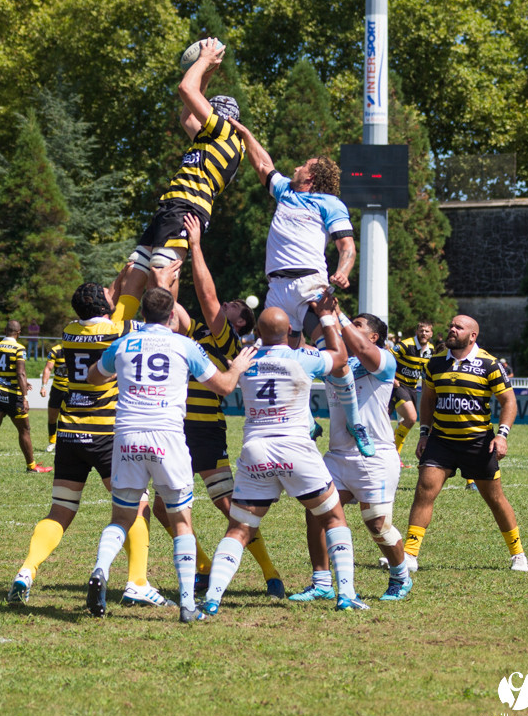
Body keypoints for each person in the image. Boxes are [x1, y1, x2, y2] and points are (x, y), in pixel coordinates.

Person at [84, 287, 253, 622]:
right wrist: (238, 367)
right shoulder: (184, 345)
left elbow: (92, 377)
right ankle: (188, 604)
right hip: (168, 438)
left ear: (142, 314)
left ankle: (101, 569)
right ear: (172, 316)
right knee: (181, 522)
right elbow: (223, 386)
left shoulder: (124, 343)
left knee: (121, 518)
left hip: (128, 435)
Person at [7, 272, 175, 609]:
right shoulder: (118, 330)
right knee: (137, 506)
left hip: (70, 431)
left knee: (60, 510)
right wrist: (137, 270)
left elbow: (114, 296)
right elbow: (128, 300)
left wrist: (119, 277)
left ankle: (26, 571)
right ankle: (137, 582)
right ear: (104, 304)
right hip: (107, 433)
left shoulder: (70, 331)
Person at [200, 297, 370, 615]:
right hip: (295, 448)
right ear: (289, 330)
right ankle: (345, 594)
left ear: (259, 333)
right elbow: (340, 358)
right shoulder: (302, 358)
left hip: (256, 451)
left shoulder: (244, 357)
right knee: (333, 518)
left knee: (239, 529)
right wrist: (326, 318)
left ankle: (212, 599)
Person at [229, 116, 373, 458]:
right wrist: (246, 134)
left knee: (337, 361)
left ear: (311, 176)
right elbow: (263, 163)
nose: (295, 167)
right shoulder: (285, 192)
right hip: (277, 288)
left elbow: (347, 247)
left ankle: (356, 424)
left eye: (302, 165)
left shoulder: (329, 203)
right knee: (280, 358)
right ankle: (308, 421)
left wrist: (343, 272)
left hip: (311, 286)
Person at [185, 215, 286, 598]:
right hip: (178, 428)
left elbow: (208, 297)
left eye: (234, 306)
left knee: (228, 506)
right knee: (163, 507)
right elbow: (170, 304)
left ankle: (269, 572)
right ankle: (202, 565)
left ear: (240, 321)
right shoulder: (195, 330)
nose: (227, 303)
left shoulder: (228, 340)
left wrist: (196, 245)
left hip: (204, 429)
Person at [113, 37, 245, 320]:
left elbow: (186, 89)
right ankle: (117, 325)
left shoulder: (224, 133)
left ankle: (165, 330)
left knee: (163, 270)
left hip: (186, 208)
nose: (198, 117)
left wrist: (204, 60)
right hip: (172, 205)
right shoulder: (210, 138)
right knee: (138, 267)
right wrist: (208, 73)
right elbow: (187, 115)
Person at [291, 307, 412, 604]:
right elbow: (297, 349)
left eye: (358, 325)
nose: (349, 329)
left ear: (373, 336)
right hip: (337, 455)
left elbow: (360, 347)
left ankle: (400, 576)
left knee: (377, 523)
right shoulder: (333, 359)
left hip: (375, 455)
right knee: (316, 512)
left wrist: (336, 313)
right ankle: (321, 582)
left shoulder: (384, 360)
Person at [400, 315, 525, 572]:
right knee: (424, 490)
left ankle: (517, 554)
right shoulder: (435, 363)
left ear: (472, 336)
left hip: (477, 444)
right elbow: (427, 401)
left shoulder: (489, 364)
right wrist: (424, 434)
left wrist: (502, 435)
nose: (452, 330)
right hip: (441, 441)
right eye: (451, 326)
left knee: (495, 499)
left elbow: (509, 402)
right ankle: (409, 554)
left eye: (459, 327)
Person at [0, 321, 51, 475]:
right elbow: (20, 373)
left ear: (5, 331)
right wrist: (24, 397)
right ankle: (32, 466)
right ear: (19, 332)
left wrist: (22, 382)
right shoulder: (19, 348)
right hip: (12, 395)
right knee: (24, 429)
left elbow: (4, 371)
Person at [390, 321, 435, 456]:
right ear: (417, 332)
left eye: (427, 331)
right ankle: (393, 454)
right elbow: (388, 357)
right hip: (398, 386)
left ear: (431, 333)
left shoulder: (431, 350)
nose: (424, 333)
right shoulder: (406, 344)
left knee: (405, 421)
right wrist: (391, 378)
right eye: (421, 330)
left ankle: (394, 454)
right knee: (411, 418)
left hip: (413, 388)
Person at [39, 342, 67, 453]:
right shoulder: (56, 351)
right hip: (57, 389)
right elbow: (48, 369)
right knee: (52, 417)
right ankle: (52, 442)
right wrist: (43, 386)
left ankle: (67, 442)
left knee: (69, 418)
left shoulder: (78, 348)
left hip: (72, 389)